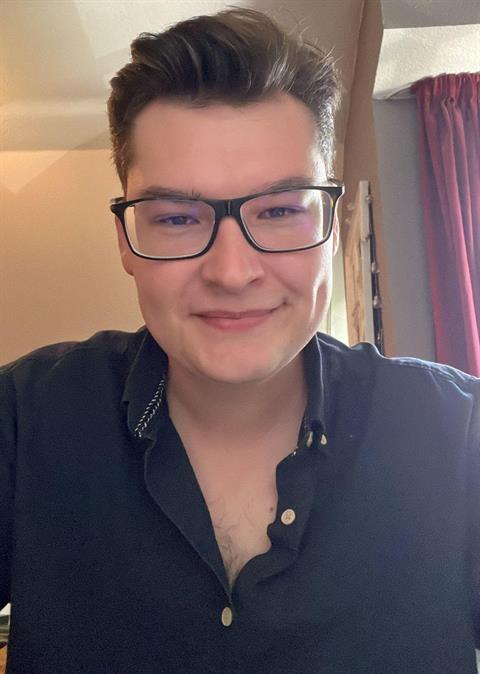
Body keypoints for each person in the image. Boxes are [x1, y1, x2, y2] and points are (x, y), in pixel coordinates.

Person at [0, 7, 479, 673]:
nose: (231, 272)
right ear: (125, 243)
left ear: (331, 226)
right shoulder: (24, 422)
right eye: (176, 218)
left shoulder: (459, 437)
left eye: (279, 210)